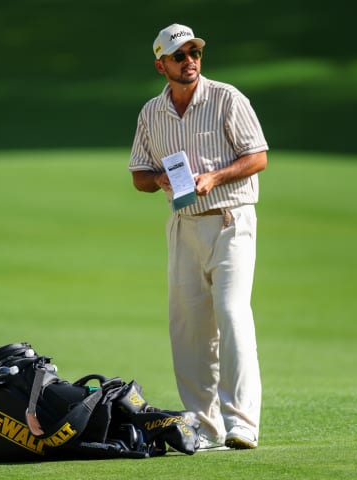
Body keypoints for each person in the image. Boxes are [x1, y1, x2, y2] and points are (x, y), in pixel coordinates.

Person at [128, 23, 268, 450]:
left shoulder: (227, 98)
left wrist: (215, 177)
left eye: (194, 52)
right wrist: (161, 182)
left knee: (231, 313)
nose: (190, 61)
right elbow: (139, 174)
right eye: (179, 55)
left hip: (230, 220)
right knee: (189, 327)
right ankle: (205, 428)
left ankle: (242, 423)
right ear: (161, 65)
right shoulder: (152, 113)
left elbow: (257, 156)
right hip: (183, 224)